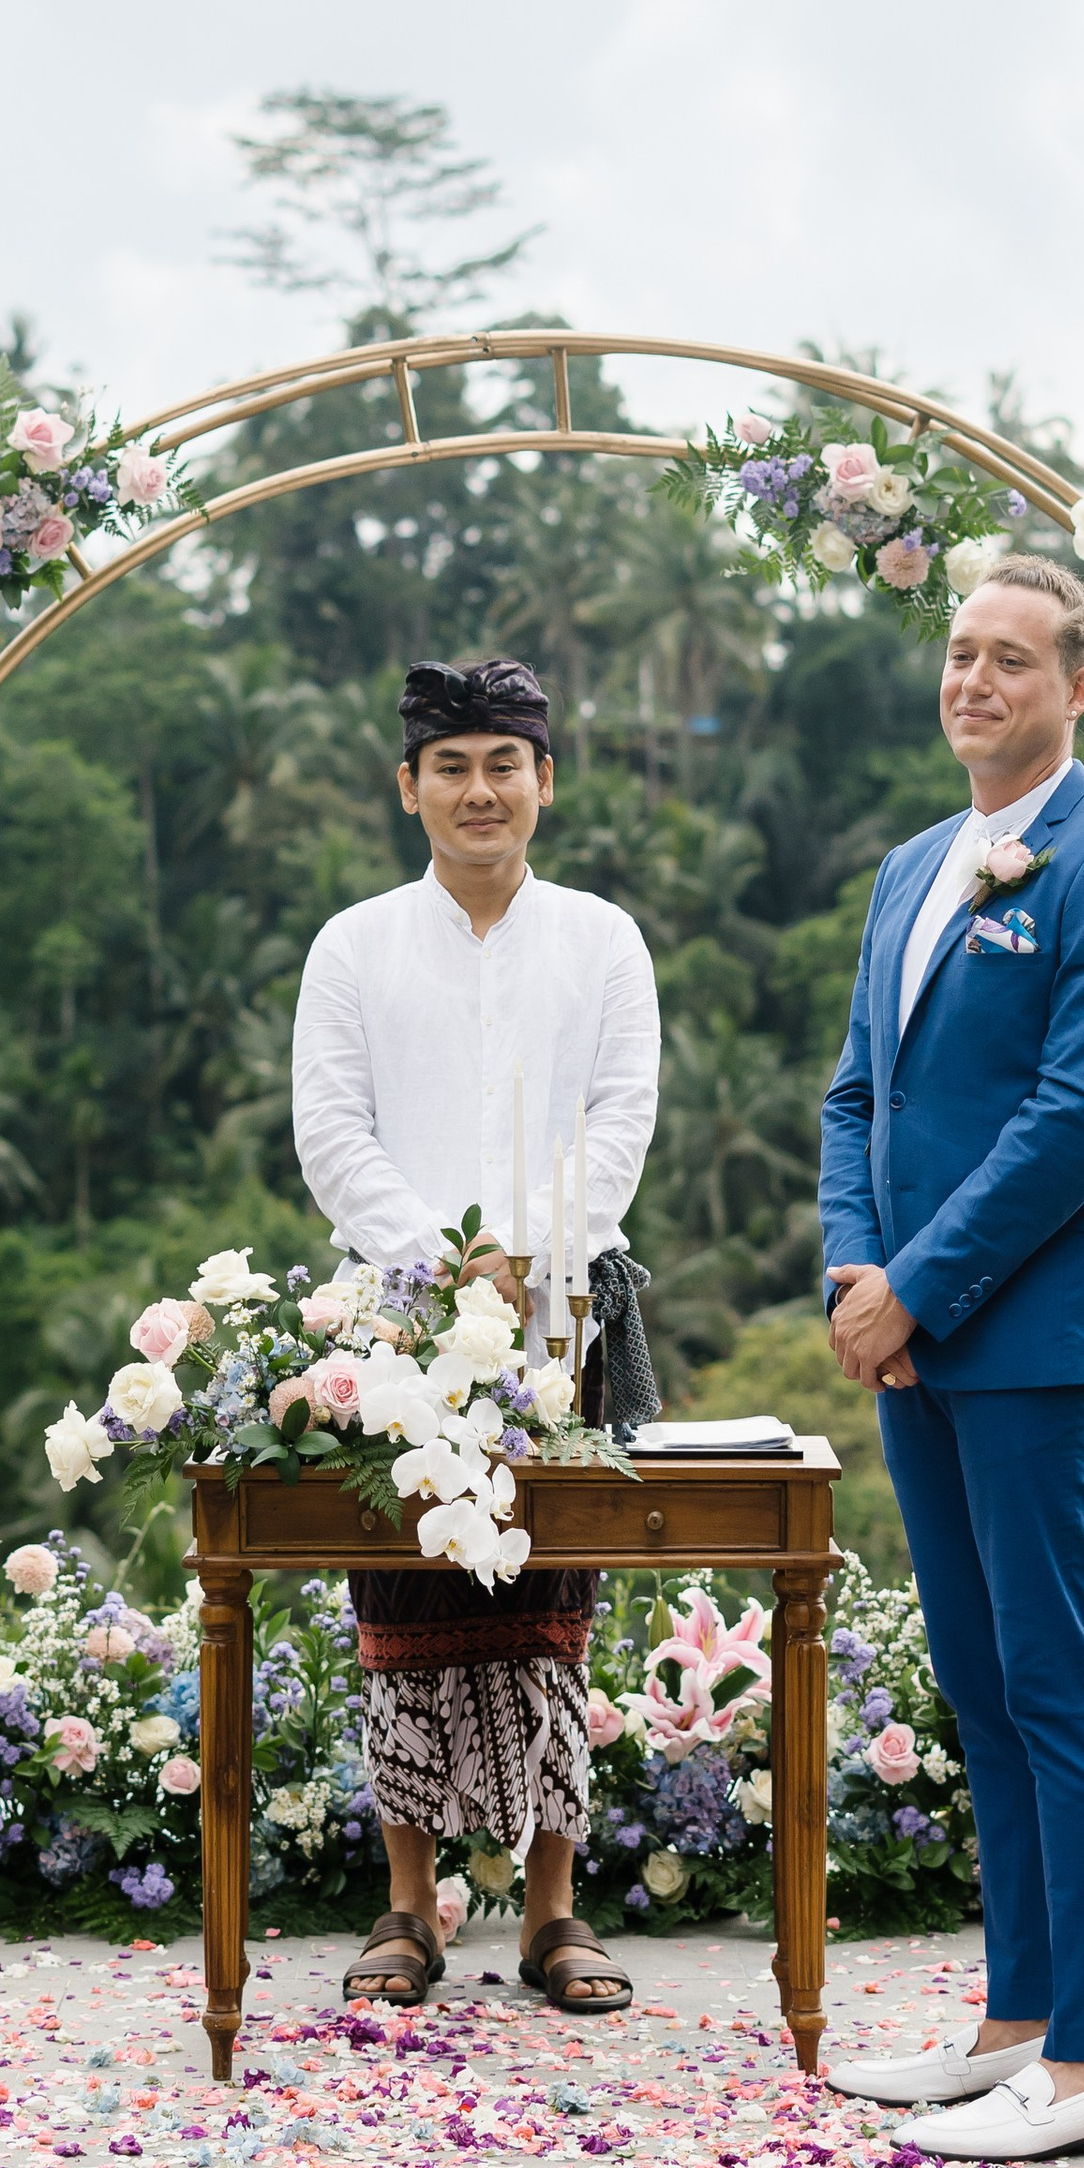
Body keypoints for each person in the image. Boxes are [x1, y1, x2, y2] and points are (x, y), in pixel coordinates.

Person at [814, 556, 1084, 2159]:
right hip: (912, 1337)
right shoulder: (914, 867)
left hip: (1034, 1339)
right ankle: (1016, 2024)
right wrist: (854, 1270)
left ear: (1080, 687)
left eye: (1012, 661)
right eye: (961, 654)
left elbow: (1075, 1127)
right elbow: (857, 1098)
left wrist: (920, 1286)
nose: (975, 681)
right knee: (978, 1678)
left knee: (1058, 1678)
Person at [291, 654, 660, 2021]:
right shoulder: (355, 944)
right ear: (409, 788)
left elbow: (622, 1117)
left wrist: (531, 1261)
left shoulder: (604, 939)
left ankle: (556, 1917)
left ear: (544, 782)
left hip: (566, 1314)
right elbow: (331, 1129)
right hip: (391, 1317)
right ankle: (408, 1906)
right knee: (399, 1592)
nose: (479, 789)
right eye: (451, 765)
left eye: (504, 762)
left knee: (553, 1599)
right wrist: (446, 1266)